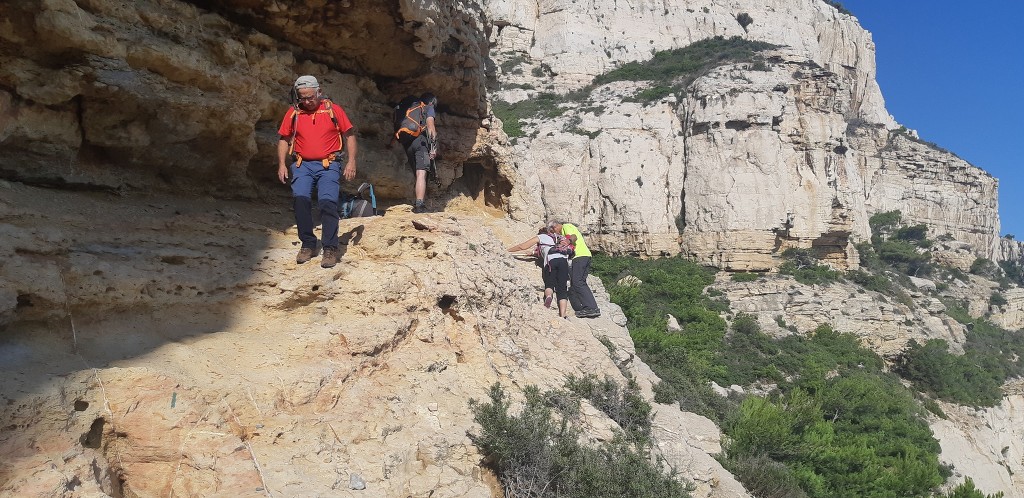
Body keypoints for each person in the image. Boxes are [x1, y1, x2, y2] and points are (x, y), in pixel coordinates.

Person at [277, 75, 358, 268]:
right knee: (300, 199)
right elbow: (283, 139)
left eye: (310, 97)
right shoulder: (294, 113)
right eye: (302, 97)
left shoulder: (333, 110)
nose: (306, 101)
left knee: (328, 202)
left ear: (319, 92)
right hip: (301, 164)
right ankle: (308, 244)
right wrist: (281, 164)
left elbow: (350, 136)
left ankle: (330, 248)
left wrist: (351, 162)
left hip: (328, 165)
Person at [508, 227, 571, 318]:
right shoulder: (559, 237)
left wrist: (506, 250)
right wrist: (533, 253)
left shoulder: (541, 236)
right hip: (563, 261)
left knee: (549, 284)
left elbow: (522, 246)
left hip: (551, 261)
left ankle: (549, 296)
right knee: (562, 289)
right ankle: (563, 314)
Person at [393, 93, 438, 213]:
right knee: (421, 173)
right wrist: (433, 146)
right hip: (420, 142)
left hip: (407, 144)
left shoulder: (410, 108)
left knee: (417, 174)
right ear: (431, 102)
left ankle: (419, 201)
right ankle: (419, 205)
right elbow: (430, 126)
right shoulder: (428, 108)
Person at [549, 221, 600, 318]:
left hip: (580, 257)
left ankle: (591, 308)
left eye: (554, 231)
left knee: (577, 282)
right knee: (580, 282)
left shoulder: (566, 227)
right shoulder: (565, 229)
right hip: (585, 256)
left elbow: (573, 236)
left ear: (555, 227)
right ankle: (591, 307)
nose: (556, 234)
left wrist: (567, 241)